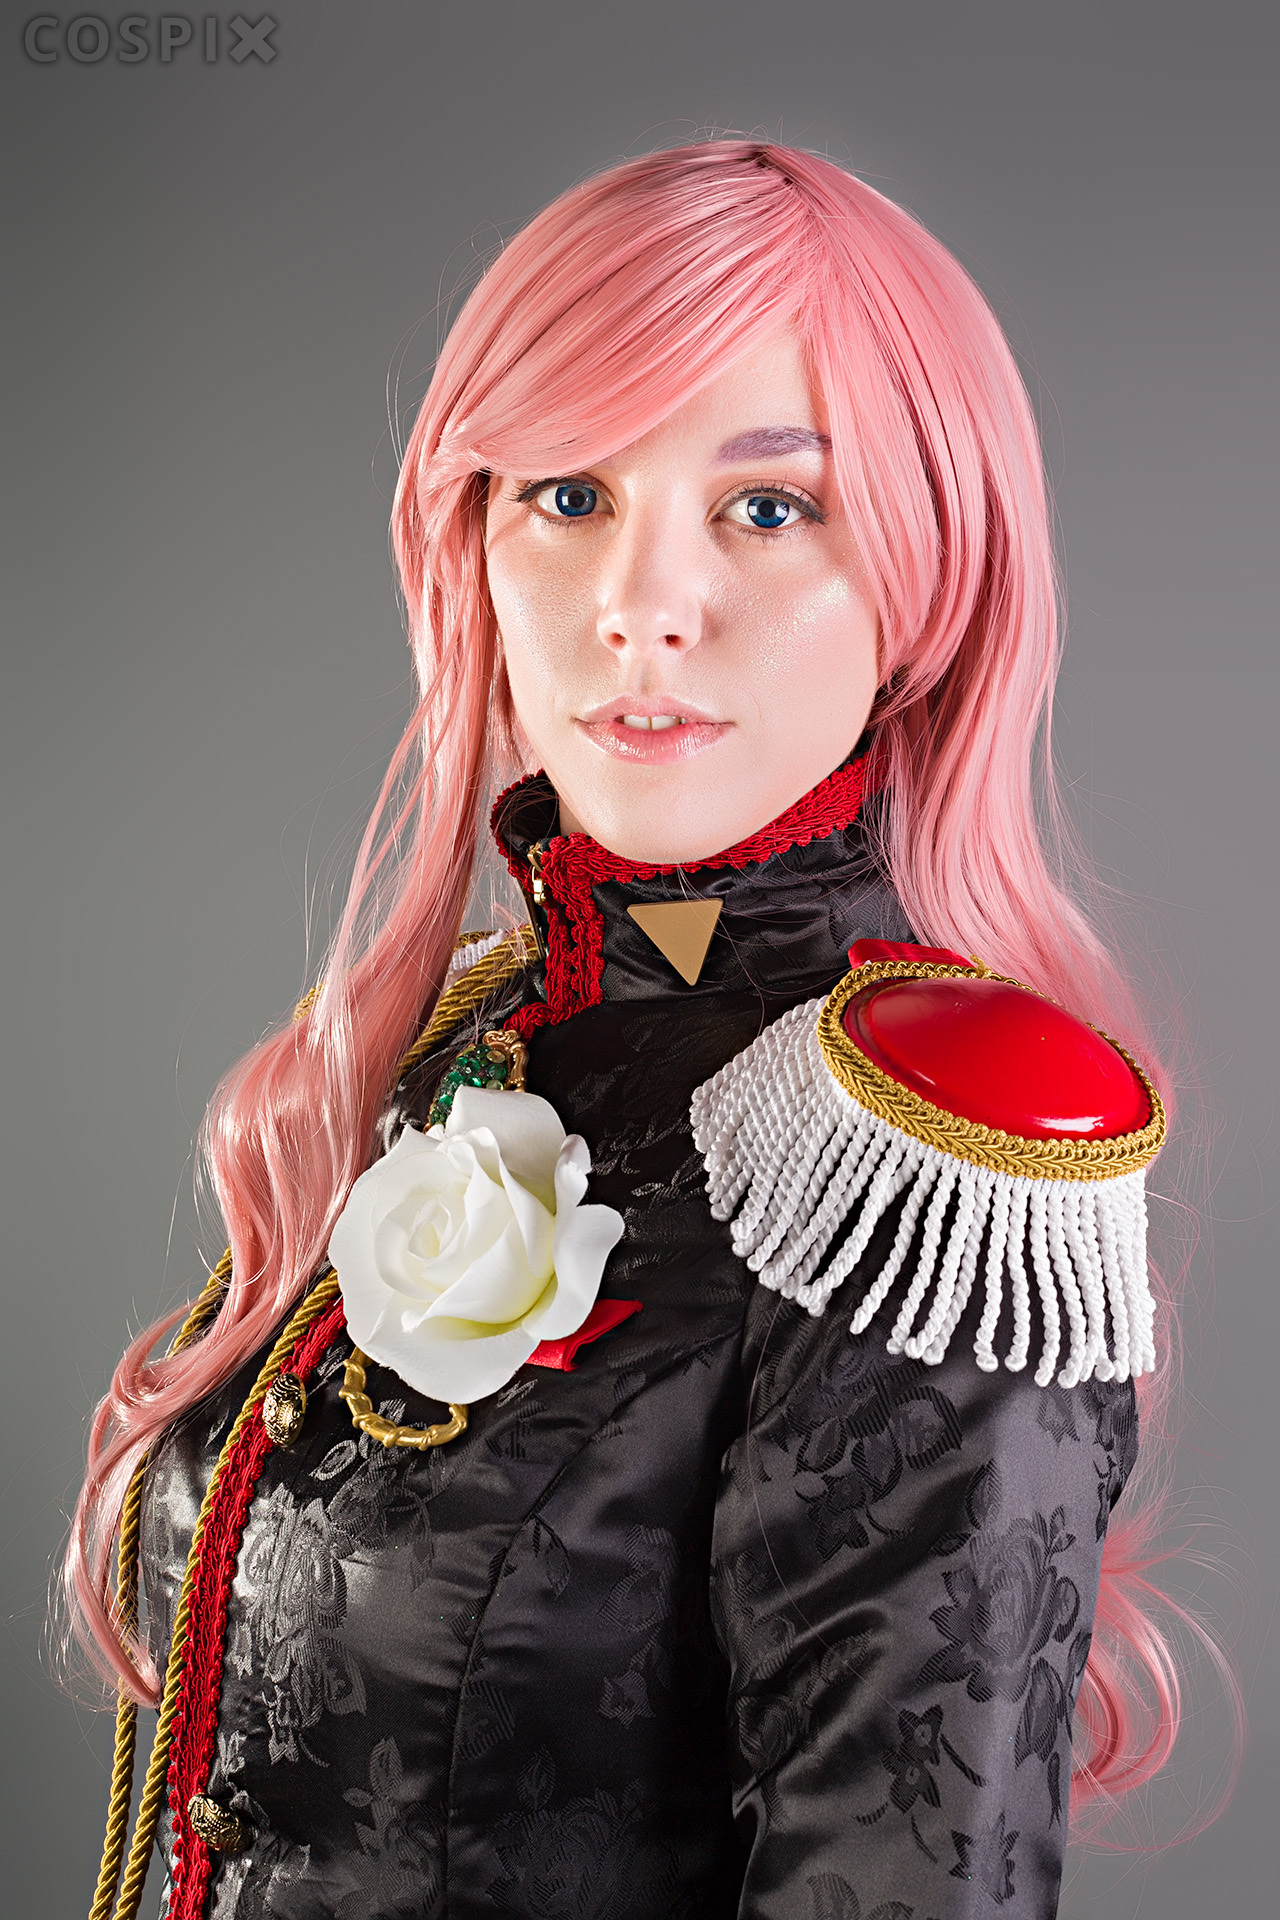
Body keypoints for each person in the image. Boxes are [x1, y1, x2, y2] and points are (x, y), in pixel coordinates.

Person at [67, 141, 1191, 1920]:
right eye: (570, 493)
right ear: (473, 540)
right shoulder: (460, 1036)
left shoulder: (938, 1155)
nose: (640, 605)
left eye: (770, 506)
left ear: (930, 574)